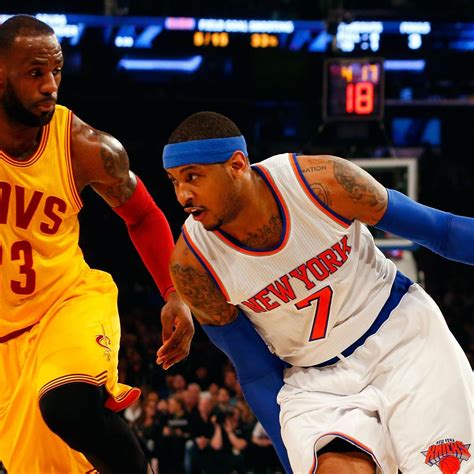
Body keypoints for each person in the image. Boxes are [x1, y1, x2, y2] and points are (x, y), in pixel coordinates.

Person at [163, 111, 474, 473]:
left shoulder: (321, 183)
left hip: (403, 338)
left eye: (193, 177)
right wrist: (291, 457)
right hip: (314, 378)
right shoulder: (193, 265)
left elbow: (442, 231)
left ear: (236, 165)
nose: (183, 195)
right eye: (174, 181)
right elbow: (256, 371)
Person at [0, 14, 194, 474]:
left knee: (69, 406)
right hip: (7, 335)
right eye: (35, 73)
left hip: (65, 302)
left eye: (56, 71)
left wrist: (174, 292)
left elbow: (143, 214)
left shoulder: (82, 146)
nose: (50, 85)